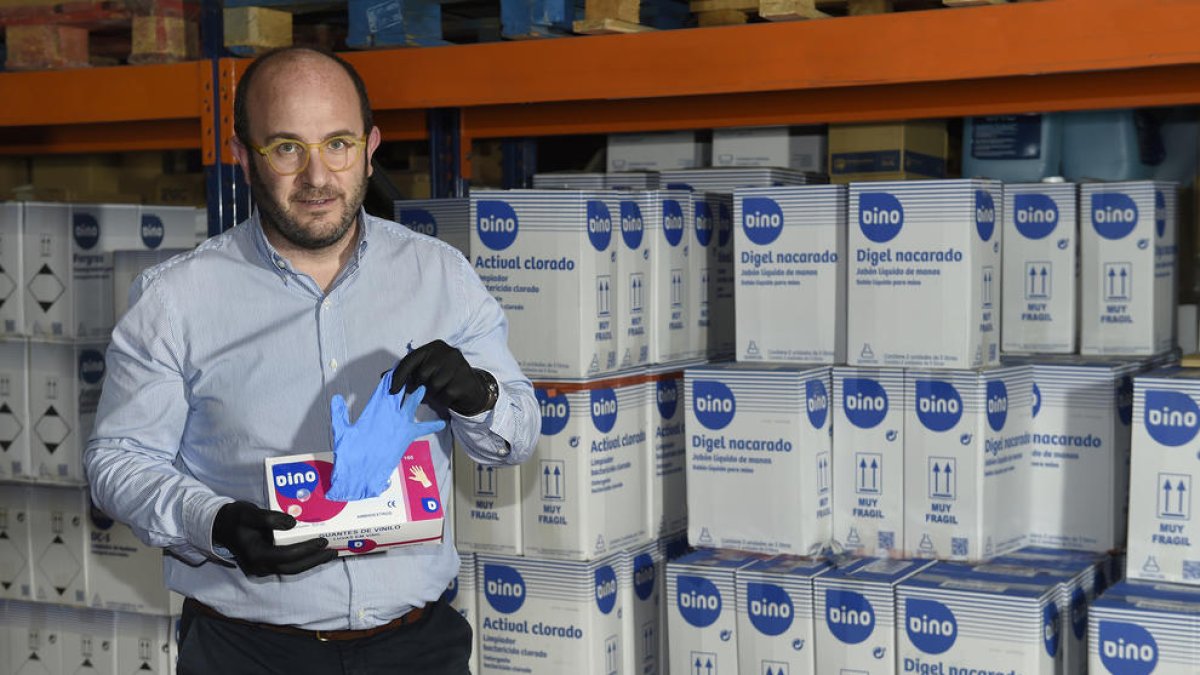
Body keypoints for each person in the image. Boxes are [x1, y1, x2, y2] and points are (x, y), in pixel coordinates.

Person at [84, 46, 539, 675]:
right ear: (243, 155)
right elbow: (117, 461)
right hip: (246, 651)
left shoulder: (441, 276)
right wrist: (215, 524)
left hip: (416, 648)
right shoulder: (177, 299)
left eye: (338, 144)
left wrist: (479, 395)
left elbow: (515, 440)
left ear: (370, 146)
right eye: (287, 148)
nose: (319, 177)